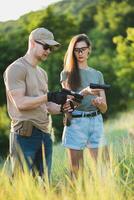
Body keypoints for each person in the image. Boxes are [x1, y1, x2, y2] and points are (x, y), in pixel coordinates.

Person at [3, 27, 71, 180]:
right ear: (33, 43)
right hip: (25, 135)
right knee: (22, 186)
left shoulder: (42, 73)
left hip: (45, 134)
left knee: (43, 184)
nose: (48, 51)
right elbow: (20, 103)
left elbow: (45, 106)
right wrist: (48, 96)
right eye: (45, 46)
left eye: (51, 49)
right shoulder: (16, 69)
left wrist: (63, 106)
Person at [60, 34, 108, 177]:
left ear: (89, 50)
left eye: (83, 49)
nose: (80, 53)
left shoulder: (97, 74)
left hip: (96, 121)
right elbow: (69, 106)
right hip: (76, 122)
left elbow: (105, 108)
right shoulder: (67, 74)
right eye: (76, 50)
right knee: (77, 173)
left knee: (104, 170)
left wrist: (100, 104)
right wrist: (84, 92)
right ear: (72, 52)